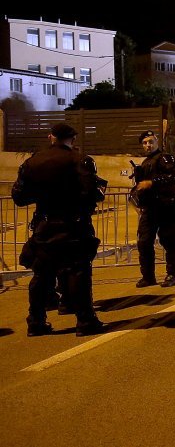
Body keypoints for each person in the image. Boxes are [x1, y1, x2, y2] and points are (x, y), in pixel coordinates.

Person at [12, 123, 106, 336]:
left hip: (45, 226)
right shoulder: (80, 160)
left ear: (50, 137)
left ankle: (35, 322)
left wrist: (43, 195)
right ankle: (85, 321)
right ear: (72, 138)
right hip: (74, 226)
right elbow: (92, 193)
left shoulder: (32, 162)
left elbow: (19, 197)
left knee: (41, 275)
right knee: (78, 272)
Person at [133, 130, 175, 288]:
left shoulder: (164, 158)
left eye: (150, 141)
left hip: (165, 207)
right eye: (145, 143)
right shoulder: (146, 162)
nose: (148, 145)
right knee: (144, 242)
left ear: (157, 142)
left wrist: (152, 182)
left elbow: (173, 177)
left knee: (170, 242)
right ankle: (148, 277)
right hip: (149, 209)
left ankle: (172, 274)